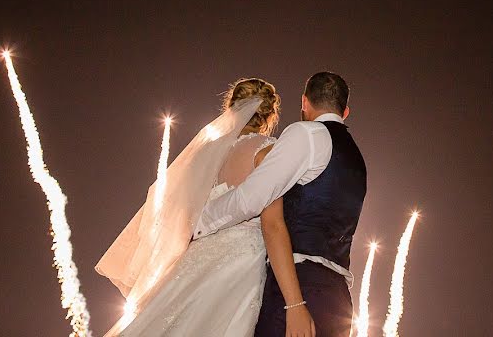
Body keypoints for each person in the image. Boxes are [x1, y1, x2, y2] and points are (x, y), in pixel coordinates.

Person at [96, 78, 315, 336]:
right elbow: (274, 223)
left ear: (231, 108)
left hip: (194, 261)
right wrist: (296, 302)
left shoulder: (205, 154)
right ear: (270, 115)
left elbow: (182, 216)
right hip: (242, 265)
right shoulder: (267, 153)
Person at [194, 72, 367, 337]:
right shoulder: (357, 159)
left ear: (304, 102)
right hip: (339, 297)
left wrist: (197, 223)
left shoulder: (306, 134)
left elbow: (251, 198)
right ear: (345, 111)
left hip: (298, 288)